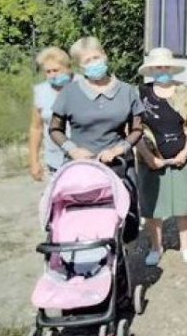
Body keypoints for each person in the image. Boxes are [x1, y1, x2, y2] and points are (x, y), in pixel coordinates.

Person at [49, 37, 144, 240]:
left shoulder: (127, 91)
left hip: (118, 166)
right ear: (79, 66)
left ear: (105, 55)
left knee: (125, 227)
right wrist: (73, 150)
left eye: (96, 57)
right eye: (87, 61)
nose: (94, 63)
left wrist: (120, 149)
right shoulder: (69, 93)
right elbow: (55, 129)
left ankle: (119, 265)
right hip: (81, 170)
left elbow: (137, 129)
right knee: (81, 226)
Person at [135, 48, 187, 266]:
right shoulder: (140, 93)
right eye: (157, 67)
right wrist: (147, 157)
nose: (162, 70)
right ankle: (156, 246)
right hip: (151, 158)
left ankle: (185, 244)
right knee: (153, 206)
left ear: (171, 68)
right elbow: (134, 129)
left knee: (184, 202)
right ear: (151, 69)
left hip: (184, 156)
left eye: (165, 66)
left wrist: (185, 152)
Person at [29, 47, 74, 179]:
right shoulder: (41, 91)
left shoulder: (81, 84)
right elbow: (36, 128)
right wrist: (34, 161)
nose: (52, 74)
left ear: (66, 67)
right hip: (55, 160)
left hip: (84, 156)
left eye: (56, 70)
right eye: (48, 71)